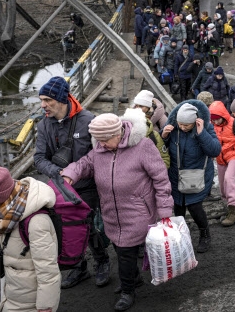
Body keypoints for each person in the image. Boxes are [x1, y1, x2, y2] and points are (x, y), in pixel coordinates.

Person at [62, 114, 173, 311]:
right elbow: (85, 164)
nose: (102, 144)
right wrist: (70, 174)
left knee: (125, 253)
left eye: (105, 139)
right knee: (119, 247)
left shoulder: (143, 146)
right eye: (99, 140)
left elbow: (161, 179)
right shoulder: (99, 149)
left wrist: (164, 209)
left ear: (118, 133)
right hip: (111, 212)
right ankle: (134, 278)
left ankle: (128, 291)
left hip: (137, 211)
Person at [34, 76, 110, 289]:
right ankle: (79, 267)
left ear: (61, 99)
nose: (43, 105)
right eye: (41, 100)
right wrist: (57, 172)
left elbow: (100, 154)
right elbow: (39, 158)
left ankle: (102, 261)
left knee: (90, 225)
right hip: (60, 186)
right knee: (66, 228)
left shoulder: (88, 120)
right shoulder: (44, 125)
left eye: (47, 100)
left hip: (87, 185)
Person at [0, 166, 60, 312]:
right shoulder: (10, 211)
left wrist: (46, 305)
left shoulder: (37, 223)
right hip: (13, 290)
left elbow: (48, 269)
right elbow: (11, 237)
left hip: (29, 300)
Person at [161, 101, 221, 253]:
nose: (182, 127)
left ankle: (204, 234)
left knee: (194, 207)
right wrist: (165, 135)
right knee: (178, 207)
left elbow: (215, 150)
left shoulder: (205, 128)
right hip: (176, 176)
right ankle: (181, 237)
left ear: (194, 122)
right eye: (180, 124)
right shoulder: (174, 128)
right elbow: (161, 148)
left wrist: (202, 134)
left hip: (196, 176)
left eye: (186, 125)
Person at [208, 101, 235, 227]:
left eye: (217, 119)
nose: (215, 122)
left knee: (229, 179)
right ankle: (226, 208)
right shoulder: (212, 125)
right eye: (213, 120)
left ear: (223, 115)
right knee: (222, 186)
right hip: (220, 157)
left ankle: (233, 211)